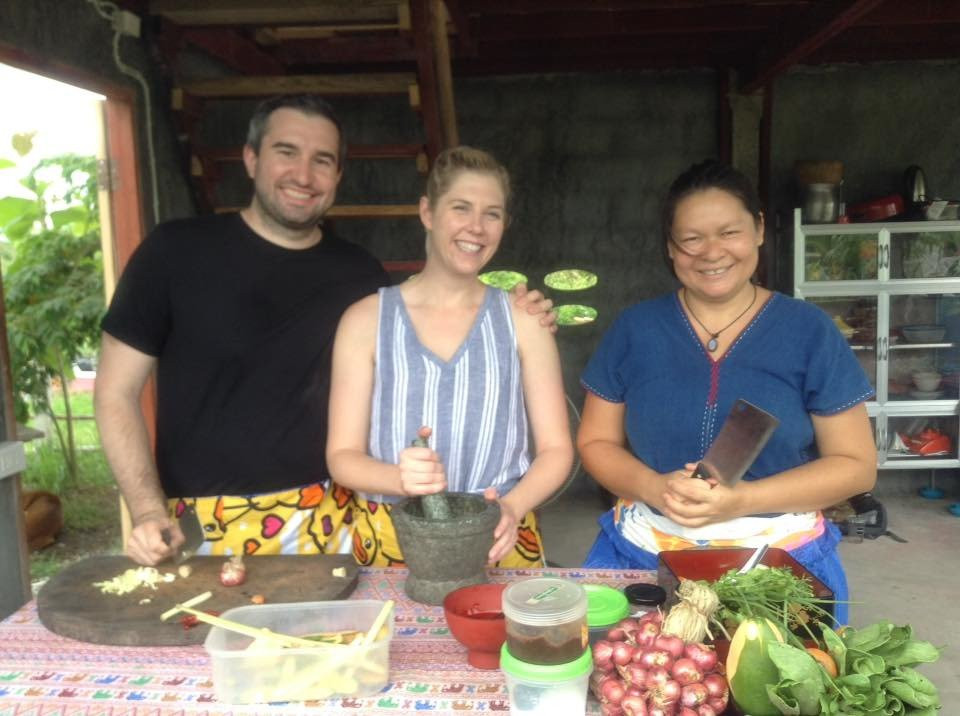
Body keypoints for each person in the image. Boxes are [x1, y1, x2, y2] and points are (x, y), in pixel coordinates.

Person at [95, 96, 554, 566]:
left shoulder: (358, 275)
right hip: (202, 523)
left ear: (337, 176)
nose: (304, 175)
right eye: (286, 152)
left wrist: (522, 314)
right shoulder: (174, 254)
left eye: (322, 160)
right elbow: (115, 393)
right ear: (251, 158)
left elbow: (424, 341)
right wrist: (147, 511)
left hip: (329, 521)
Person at [576, 159, 876, 624]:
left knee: (772, 673)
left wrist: (743, 500)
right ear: (671, 247)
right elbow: (596, 441)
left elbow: (856, 466)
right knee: (624, 669)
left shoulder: (808, 331)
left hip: (779, 568)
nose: (711, 252)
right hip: (644, 554)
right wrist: (656, 487)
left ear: (758, 229)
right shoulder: (635, 329)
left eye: (729, 232)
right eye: (691, 238)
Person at [326, 146, 574, 568]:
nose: (476, 227)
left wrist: (513, 506)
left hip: (499, 533)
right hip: (393, 535)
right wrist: (399, 478)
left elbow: (556, 450)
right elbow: (342, 456)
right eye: (461, 208)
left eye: (492, 214)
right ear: (428, 212)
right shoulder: (366, 320)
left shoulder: (523, 320)